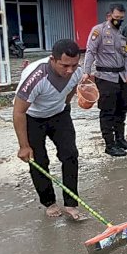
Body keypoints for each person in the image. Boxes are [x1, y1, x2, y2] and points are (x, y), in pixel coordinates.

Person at [13, 39, 84, 220]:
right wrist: (23, 146)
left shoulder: (77, 72)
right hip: (32, 117)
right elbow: (19, 111)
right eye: (64, 65)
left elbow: (70, 92)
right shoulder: (36, 77)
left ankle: (71, 202)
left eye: (74, 65)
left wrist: (64, 107)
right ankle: (49, 202)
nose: (69, 70)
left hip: (59, 115)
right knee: (38, 161)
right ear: (53, 60)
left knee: (70, 155)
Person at [84, 4, 127, 157]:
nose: (119, 21)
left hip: (121, 77)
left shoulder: (124, 33)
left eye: (121, 18)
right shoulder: (98, 31)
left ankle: (120, 139)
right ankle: (109, 144)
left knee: (122, 109)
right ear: (109, 16)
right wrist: (86, 71)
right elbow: (90, 51)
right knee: (108, 112)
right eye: (116, 18)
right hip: (105, 77)